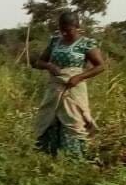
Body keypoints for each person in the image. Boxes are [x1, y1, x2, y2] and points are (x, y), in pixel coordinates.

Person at [33, 12, 107, 157]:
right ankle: (49, 156)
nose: (65, 33)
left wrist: (79, 77)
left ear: (77, 27)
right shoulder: (55, 41)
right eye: (62, 29)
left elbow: (100, 66)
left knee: (74, 121)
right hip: (55, 89)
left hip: (74, 89)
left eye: (68, 30)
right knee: (50, 119)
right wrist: (49, 66)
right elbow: (39, 62)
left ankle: (74, 159)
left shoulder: (86, 44)